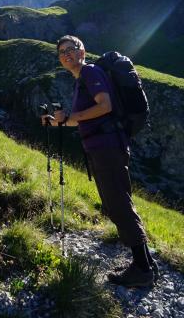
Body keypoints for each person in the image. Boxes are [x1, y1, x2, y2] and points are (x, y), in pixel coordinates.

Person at [41, 35, 158, 287]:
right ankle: (147, 263)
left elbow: (104, 106)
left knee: (118, 204)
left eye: (71, 49)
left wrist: (70, 116)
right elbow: (82, 118)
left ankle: (142, 269)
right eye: (61, 52)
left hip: (107, 147)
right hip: (104, 147)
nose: (66, 54)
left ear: (82, 51)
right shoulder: (83, 79)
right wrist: (57, 120)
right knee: (119, 201)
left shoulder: (90, 72)